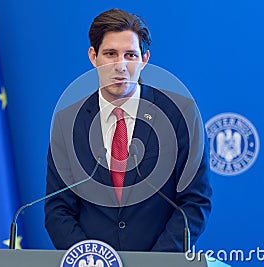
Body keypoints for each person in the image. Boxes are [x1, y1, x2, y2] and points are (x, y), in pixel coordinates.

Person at [45, 8, 212, 252]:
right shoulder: (68, 121)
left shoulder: (180, 114)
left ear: (145, 60)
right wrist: (92, 258)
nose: (120, 66)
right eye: (110, 54)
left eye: (130, 55)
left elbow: (195, 201)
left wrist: (155, 262)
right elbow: (58, 208)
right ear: (93, 57)